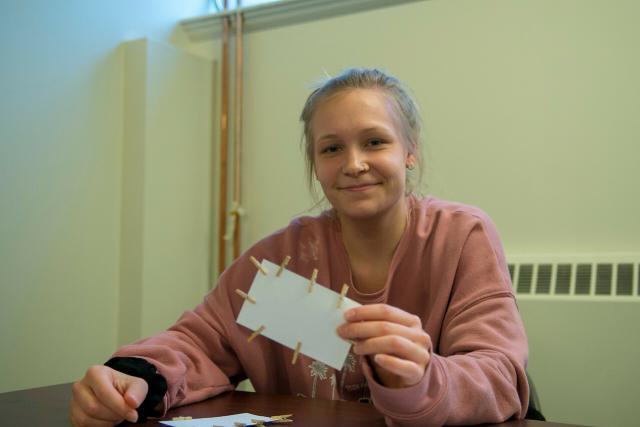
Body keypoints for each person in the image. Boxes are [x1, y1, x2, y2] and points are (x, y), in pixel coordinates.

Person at [69, 68, 529, 427]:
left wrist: (424, 378)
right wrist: (135, 378)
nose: (354, 164)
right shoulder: (281, 259)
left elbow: (499, 375)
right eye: (331, 149)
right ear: (314, 162)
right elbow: (200, 341)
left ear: (410, 151)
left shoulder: (461, 235)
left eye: (374, 142)